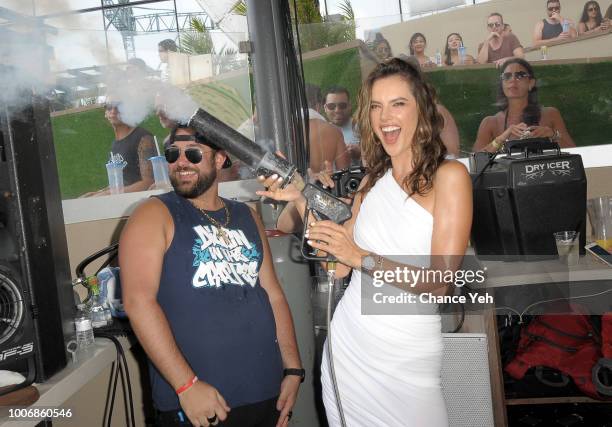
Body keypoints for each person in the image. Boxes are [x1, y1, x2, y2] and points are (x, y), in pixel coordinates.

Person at [257, 57, 472, 426]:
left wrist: (361, 257)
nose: (385, 116)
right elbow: (339, 264)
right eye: (376, 106)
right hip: (351, 350)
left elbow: (440, 285)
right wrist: (300, 196)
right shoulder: (372, 181)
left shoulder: (450, 176)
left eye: (398, 103)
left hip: (409, 356)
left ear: (421, 109)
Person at [119, 125, 303, 427]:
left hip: (265, 394)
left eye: (193, 153)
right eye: (172, 154)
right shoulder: (153, 214)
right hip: (198, 402)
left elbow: (273, 294)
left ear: (220, 158)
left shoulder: (247, 216)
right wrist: (186, 385)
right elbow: (138, 301)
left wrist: (293, 370)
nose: (181, 162)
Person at [473, 58, 575, 152]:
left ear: (531, 83)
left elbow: (575, 152)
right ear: (502, 84)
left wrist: (553, 135)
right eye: (507, 76)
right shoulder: (490, 123)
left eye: (520, 75)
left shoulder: (550, 114)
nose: (512, 80)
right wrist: (501, 138)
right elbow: (475, 160)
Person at [81, 98, 157, 197]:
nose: (113, 110)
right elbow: (121, 183)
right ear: (105, 113)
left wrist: (107, 193)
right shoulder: (115, 144)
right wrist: (98, 193)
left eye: (119, 106)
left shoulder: (142, 137)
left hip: (140, 203)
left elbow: (148, 183)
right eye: (109, 106)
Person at [305, 83, 350, 173]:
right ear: (319, 106)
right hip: (325, 185)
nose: (337, 110)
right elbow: (344, 173)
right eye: (331, 106)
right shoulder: (334, 132)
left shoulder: (285, 130)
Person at [323, 86, 361, 165]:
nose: (337, 110)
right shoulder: (321, 132)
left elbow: (376, 158)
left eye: (342, 105)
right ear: (325, 108)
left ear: (349, 106)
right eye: (331, 106)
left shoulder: (361, 127)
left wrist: (360, 153)